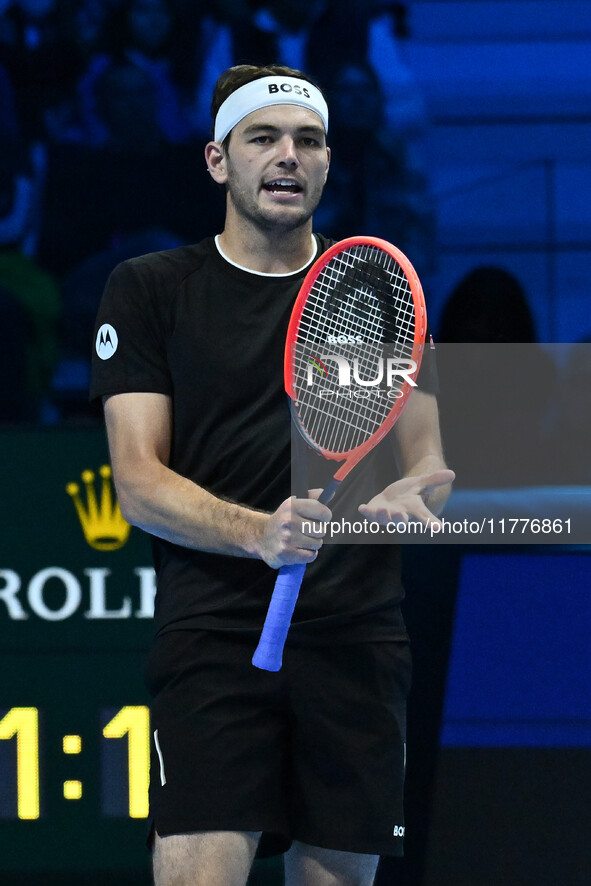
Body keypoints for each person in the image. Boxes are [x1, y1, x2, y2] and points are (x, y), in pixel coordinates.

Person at [90, 63, 453, 886]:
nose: (287, 156)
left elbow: (427, 463)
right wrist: (258, 533)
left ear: (327, 162)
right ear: (219, 160)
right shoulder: (150, 291)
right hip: (214, 639)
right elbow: (138, 483)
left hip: (355, 641)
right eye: (263, 138)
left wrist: (418, 495)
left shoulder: (379, 293)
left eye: (308, 141)